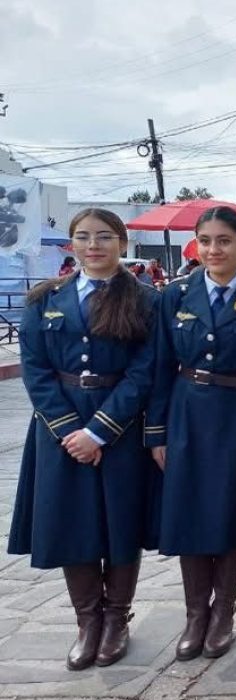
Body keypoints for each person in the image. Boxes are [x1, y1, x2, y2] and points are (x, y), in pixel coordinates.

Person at [8, 209, 159, 671]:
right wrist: (70, 430)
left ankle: (116, 620)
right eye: (83, 237)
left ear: (122, 242)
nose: (94, 245)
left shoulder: (146, 300)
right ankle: (87, 621)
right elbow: (34, 369)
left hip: (119, 427)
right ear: (71, 244)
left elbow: (144, 370)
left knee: (120, 523)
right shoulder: (45, 298)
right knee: (73, 523)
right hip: (61, 432)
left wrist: (100, 430)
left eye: (104, 237)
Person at [145, 206, 236, 662]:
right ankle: (195, 616)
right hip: (186, 412)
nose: (213, 250)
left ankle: (223, 612)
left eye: (224, 240)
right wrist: (157, 430)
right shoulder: (176, 295)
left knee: (228, 514)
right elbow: (160, 365)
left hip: (235, 414)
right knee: (188, 513)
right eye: (205, 240)